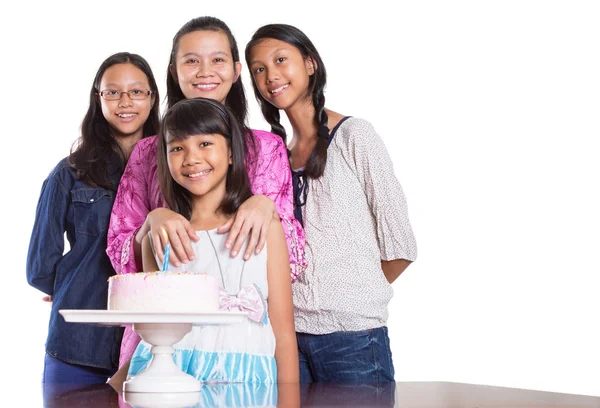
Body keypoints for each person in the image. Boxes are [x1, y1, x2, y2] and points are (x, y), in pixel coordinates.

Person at [106, 16, 306, 368]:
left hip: (247, 343)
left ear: (235, 69)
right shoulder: (147, 151)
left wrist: (265, 208)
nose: (204, 71)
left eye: (217, 59)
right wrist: (152, 223)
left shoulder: (268, 148)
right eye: (191, 60)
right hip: (166, 342)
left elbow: (291, 260)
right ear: (174, 70)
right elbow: (120, 252)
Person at [246, 24, 418, 383]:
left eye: (281, 60)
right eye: (259, 69)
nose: (270, 75)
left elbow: (400, 244)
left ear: (309, 63)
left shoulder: (355, 136)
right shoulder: (276, 157)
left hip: (352, 340)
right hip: (286, 339)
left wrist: (351, 296)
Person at [128, 98, 298, 386]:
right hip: (174, 379)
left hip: (248, 379)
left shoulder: (264, 225)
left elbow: (283, 333)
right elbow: (154, 331)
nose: (191, 158)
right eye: (178, 148)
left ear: (231, 152)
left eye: (205, 143)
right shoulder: (160, 236)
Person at [26, 52, 160, 384]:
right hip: (78, 346)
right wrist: (73, 284)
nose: (124, 101)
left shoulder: (174, 169)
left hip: (156, 345)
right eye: (112, 92)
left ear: (153, 97)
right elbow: (40, 267)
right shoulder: (70, 173)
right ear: (97, 98)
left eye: (137, 91)